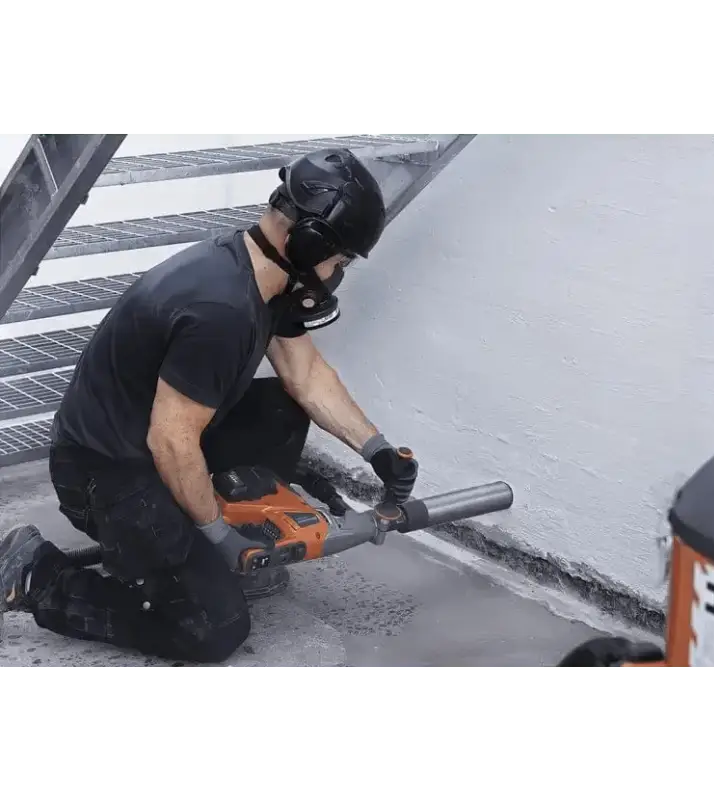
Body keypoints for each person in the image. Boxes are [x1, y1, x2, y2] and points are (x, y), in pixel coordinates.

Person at [0, 147, 419, 664]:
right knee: (213, 627)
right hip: (104, 474)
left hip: (150, 443)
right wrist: (217, 537)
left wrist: (376, 450)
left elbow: (305, 374)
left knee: (282, 410)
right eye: (340, 260)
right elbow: (171, 439)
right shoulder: (220, 310)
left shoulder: (259, 272)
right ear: (311, 244)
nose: (337, 273)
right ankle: (39, 575)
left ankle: (199, 538)